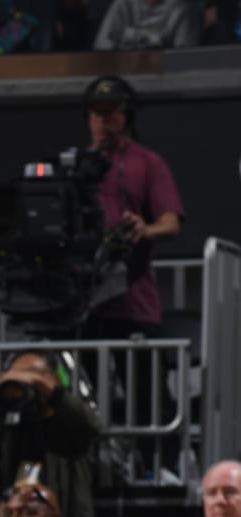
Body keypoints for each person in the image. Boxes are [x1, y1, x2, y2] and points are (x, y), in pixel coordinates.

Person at [81, 76, 183, 351]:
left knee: (145, 390)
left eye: (111, 113)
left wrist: (144, 230)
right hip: (82, 302)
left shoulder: (148, 162)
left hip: (133, 300)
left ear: (126, 117)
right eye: (96, 113)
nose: (103, 121)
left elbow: (170, 223)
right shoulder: (74, 167)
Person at [0, 350, 101, 517]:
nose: (25, 386)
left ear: (52, 381)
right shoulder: (5, 423)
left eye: (33, 378)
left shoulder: (67, 419)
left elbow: (92, 428)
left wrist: (56, 396)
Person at [96, 0, 195, 47]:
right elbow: (102, 45)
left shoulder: (179, 9)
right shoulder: (121, 5)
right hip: (125, 71)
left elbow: (184, 53)